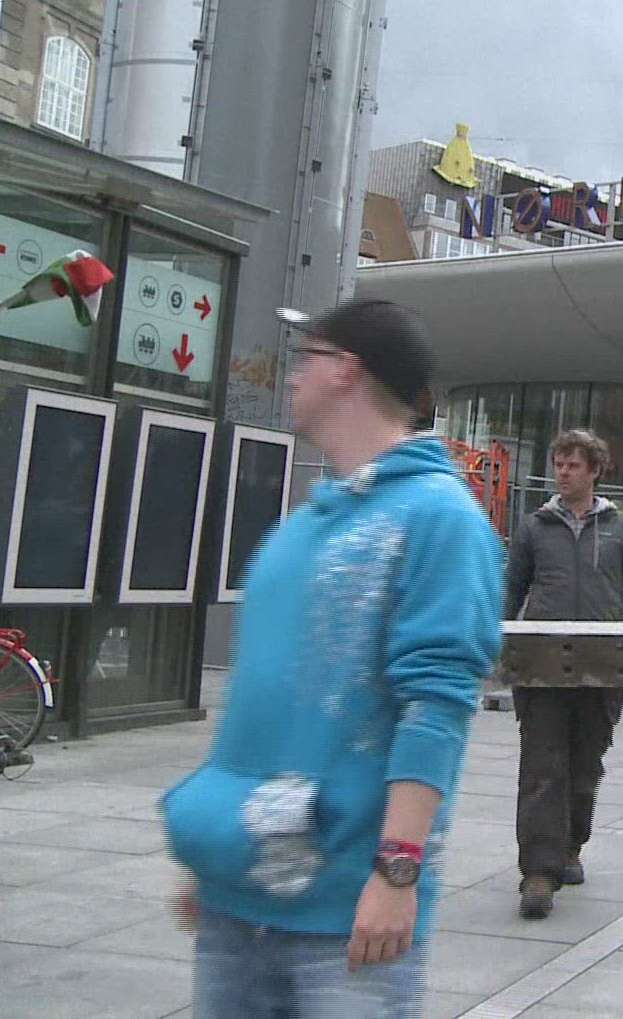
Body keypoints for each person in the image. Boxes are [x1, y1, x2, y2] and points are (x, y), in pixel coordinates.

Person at [162, 300, 502, 1018]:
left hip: (345, 923)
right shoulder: (300, 529)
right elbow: (257, 705)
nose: (292, 376)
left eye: (304, 358)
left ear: (345, 369)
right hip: (233, 904)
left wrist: (396, 875)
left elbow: (436, 705)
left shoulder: (440, 518)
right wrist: (214, 850)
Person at [504, 429, 623, 920]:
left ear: (594, 470)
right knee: (542, 765)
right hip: (542, 665)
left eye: (573, 465)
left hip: (602, 663)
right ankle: (538, 872)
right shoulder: (533, 527)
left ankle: (571, 846)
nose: (564, 473)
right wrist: (497, 636)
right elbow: (512, 586)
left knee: (585, 765)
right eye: (559, 464)